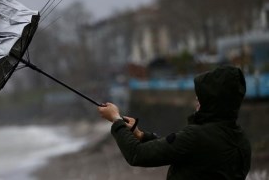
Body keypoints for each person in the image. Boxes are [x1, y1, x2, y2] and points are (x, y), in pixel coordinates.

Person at [98, 65, 251, 179]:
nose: (197, 100)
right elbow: (182, 151)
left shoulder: (196, 136)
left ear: (214, 101)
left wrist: (116, 119)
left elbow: (137, 154)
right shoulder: (241, 140)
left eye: (201, 97)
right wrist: (141, 135)